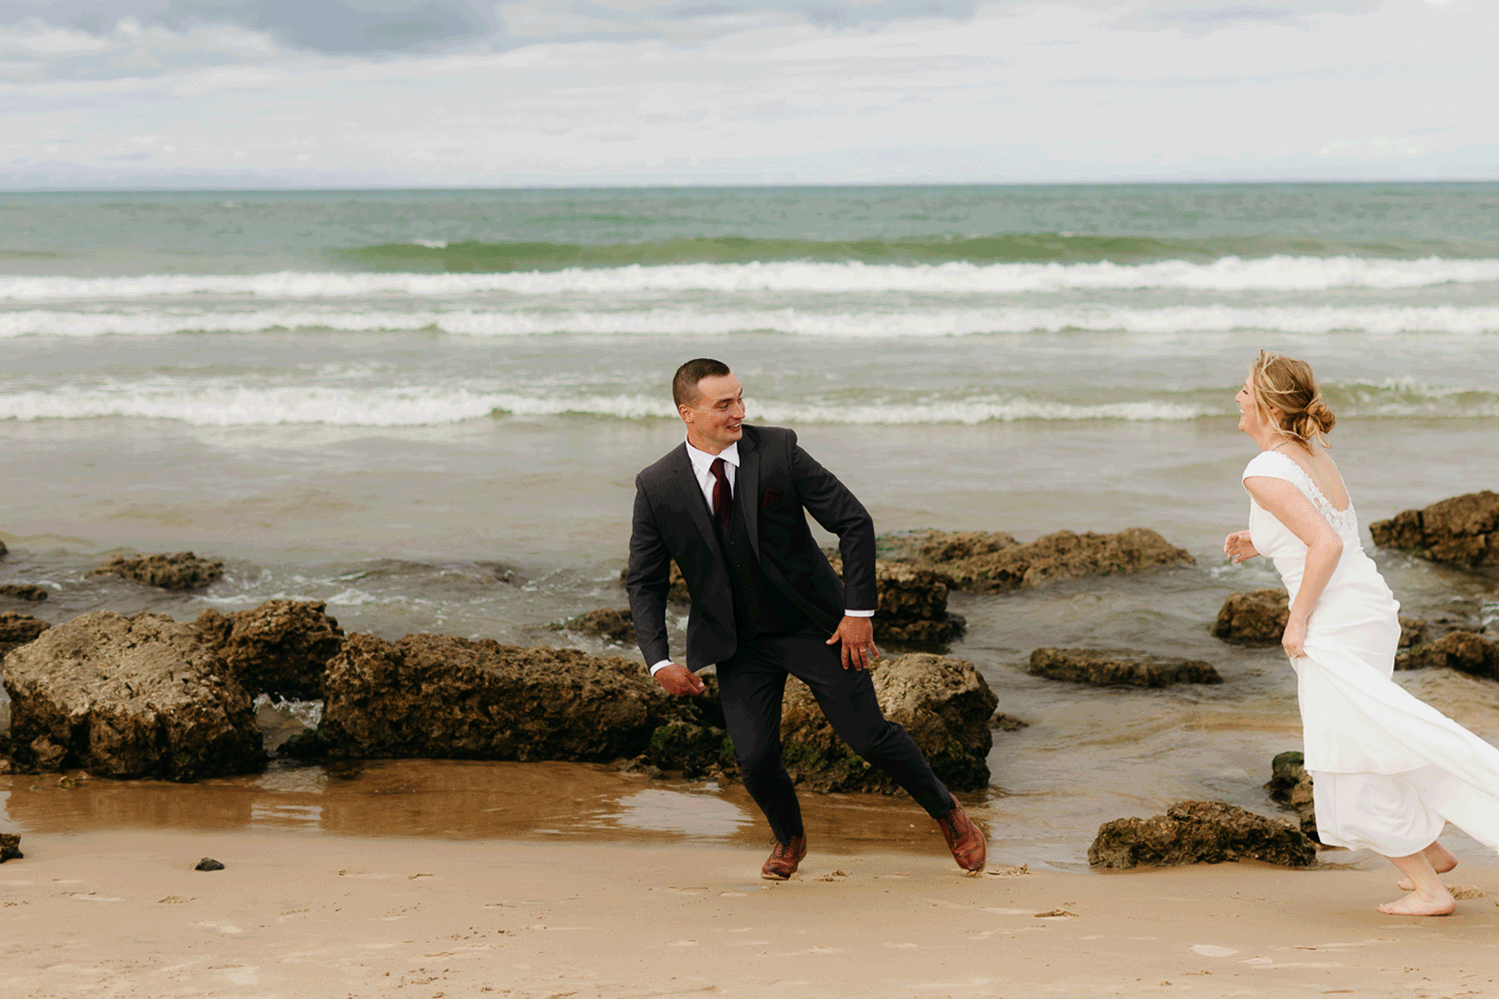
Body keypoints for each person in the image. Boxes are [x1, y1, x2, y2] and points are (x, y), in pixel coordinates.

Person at [626, 358, 986, 880]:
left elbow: (854, 523)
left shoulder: (778, 450)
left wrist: (857, 612)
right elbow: (646, 581)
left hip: (815, 627)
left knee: (868, 738)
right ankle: (789, 836)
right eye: (724, 404)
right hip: (738, 643)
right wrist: (658, 661)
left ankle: (947, 812)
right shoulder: (657, 485)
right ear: (687, 412)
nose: (739, 412)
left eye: (741, 399)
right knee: (753, 758)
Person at [1225, 350, 1499, 916]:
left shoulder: (1264, 470)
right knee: (1373, 734)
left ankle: (1429, 889)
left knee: (1345, 756)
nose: (1237, 398)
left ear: (1270, 405)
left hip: (1336, 620)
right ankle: (1433, 851)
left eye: (1246, 390)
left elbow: (1324, 545)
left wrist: (1297, 618)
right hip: (1368, 611)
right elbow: (1327, 532)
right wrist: (1260, 541)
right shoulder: (1309, 455)